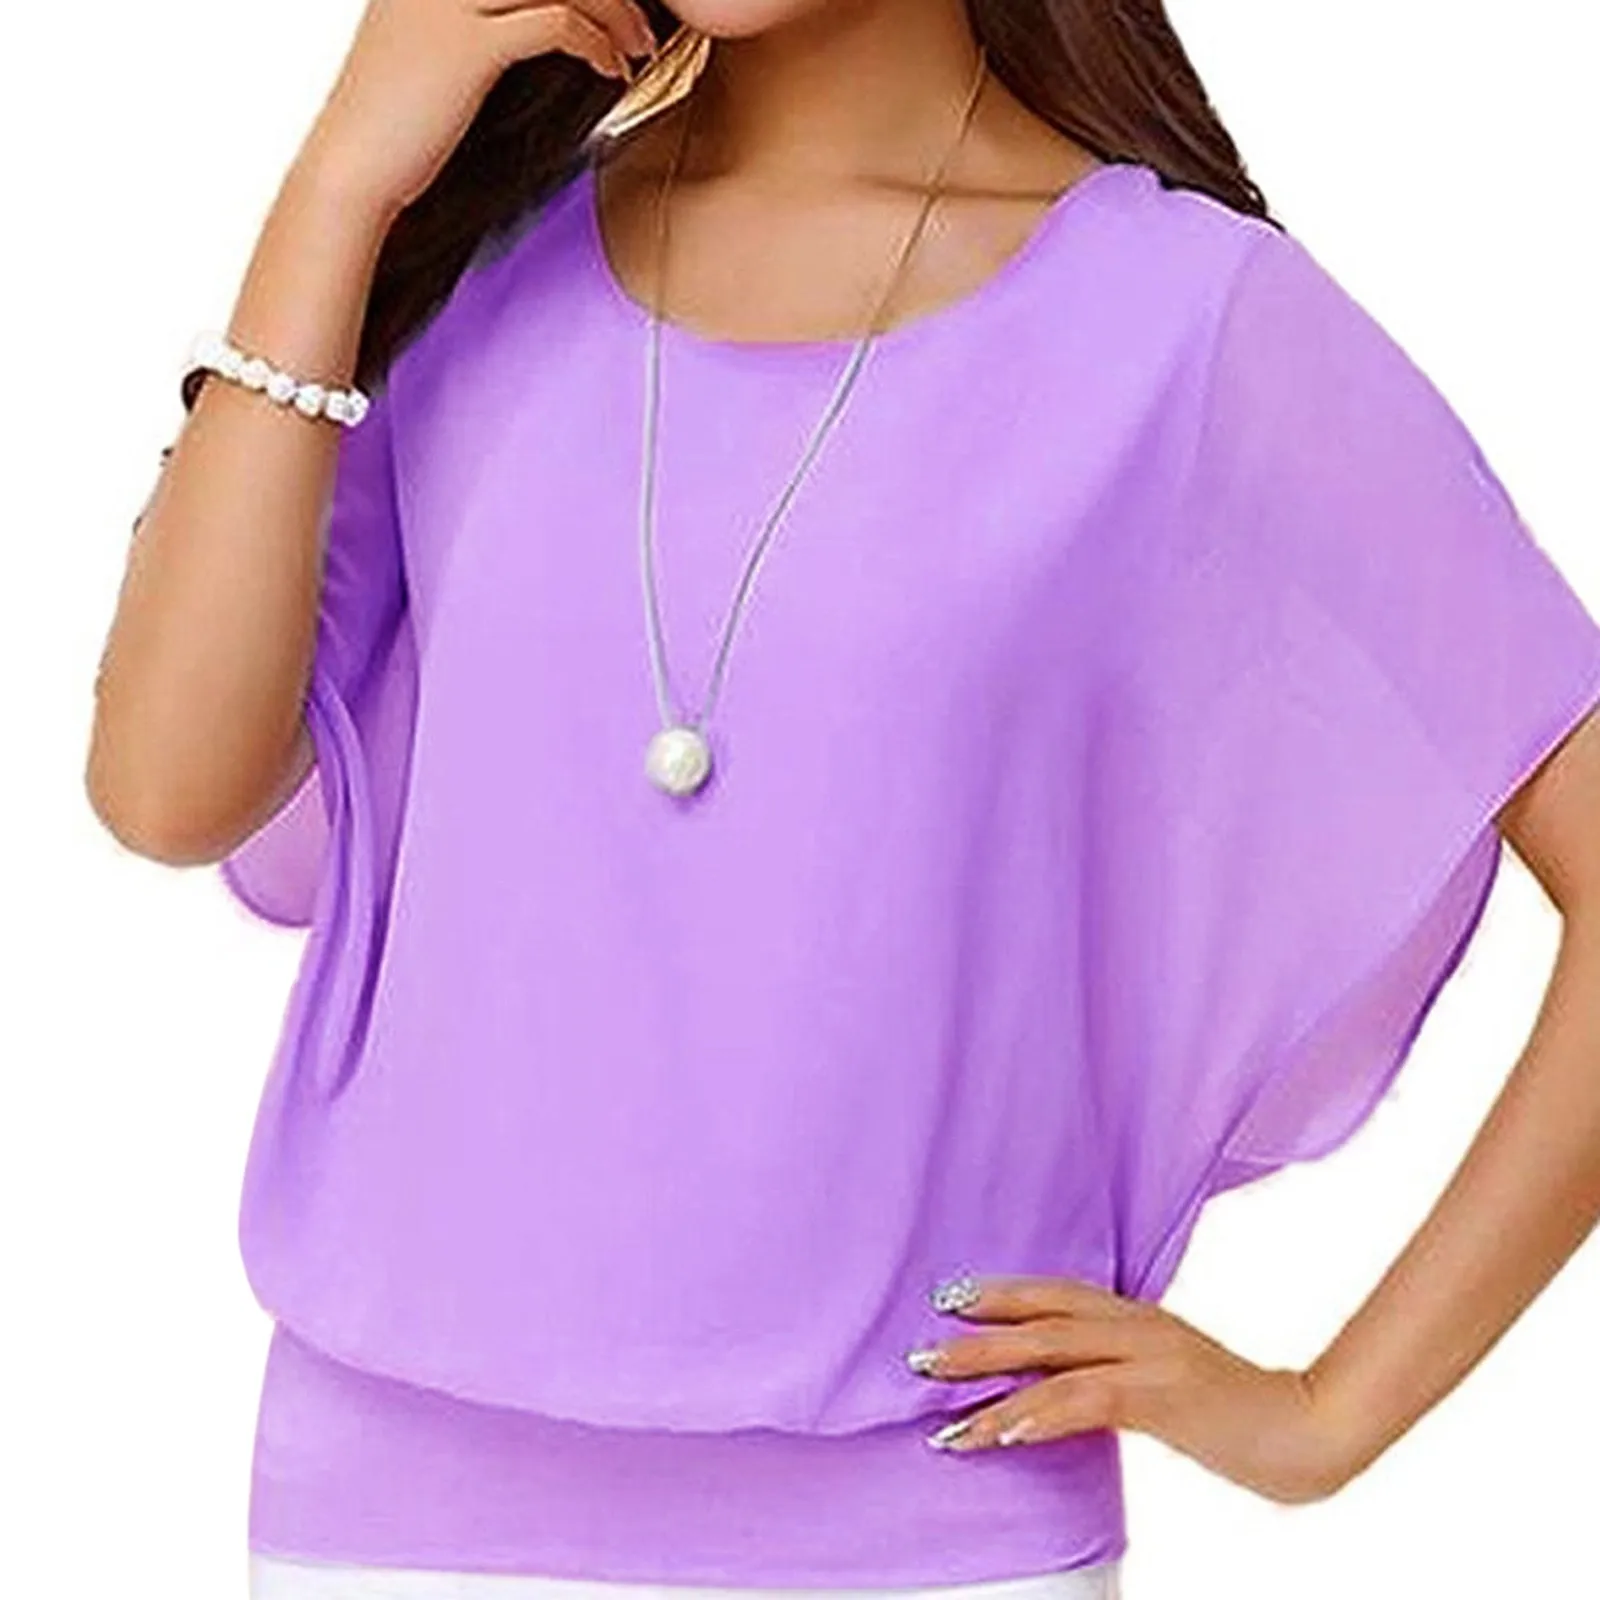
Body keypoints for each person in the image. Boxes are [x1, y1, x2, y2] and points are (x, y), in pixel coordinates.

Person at [86, 0, 1600, 1595]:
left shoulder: (1186, 317)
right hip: (381, 1530)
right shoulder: (474, 262)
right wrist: (337, 186)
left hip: (930, 1541)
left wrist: (1319, 1418)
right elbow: (164, 790)